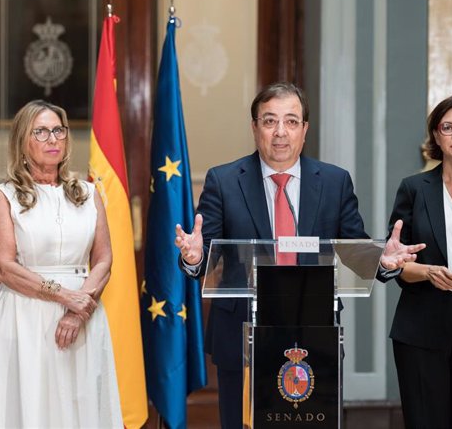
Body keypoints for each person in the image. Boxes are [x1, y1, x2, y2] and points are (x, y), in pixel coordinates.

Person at [174, 82, 422, 428]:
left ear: (305, 129)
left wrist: (381, 259)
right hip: (243, 332)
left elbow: (354, 248)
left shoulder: (334, 182)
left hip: (313, 330)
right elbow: (207, 260)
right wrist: (195, 257)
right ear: (254, 127)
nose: (280, 133)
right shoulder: (223, 180)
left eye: (291, 121)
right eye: (269, 121)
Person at [0, 100, 123, 428]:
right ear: (22, 141)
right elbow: (3, 267)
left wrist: (78, 308)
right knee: (31, 405)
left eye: (59, 130)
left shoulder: (89, 193)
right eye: (41, 132)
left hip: (83, 314)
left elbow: (103, 259)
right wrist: (63, 297)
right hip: (25, 315)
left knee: (81, 402)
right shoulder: (4, 196)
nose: (53, 139)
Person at [382, 93, 452, 428]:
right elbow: (397, 264)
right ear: (435, 134)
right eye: (448, 127)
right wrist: (427, 271)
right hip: (421, 332)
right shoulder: (414, 189)